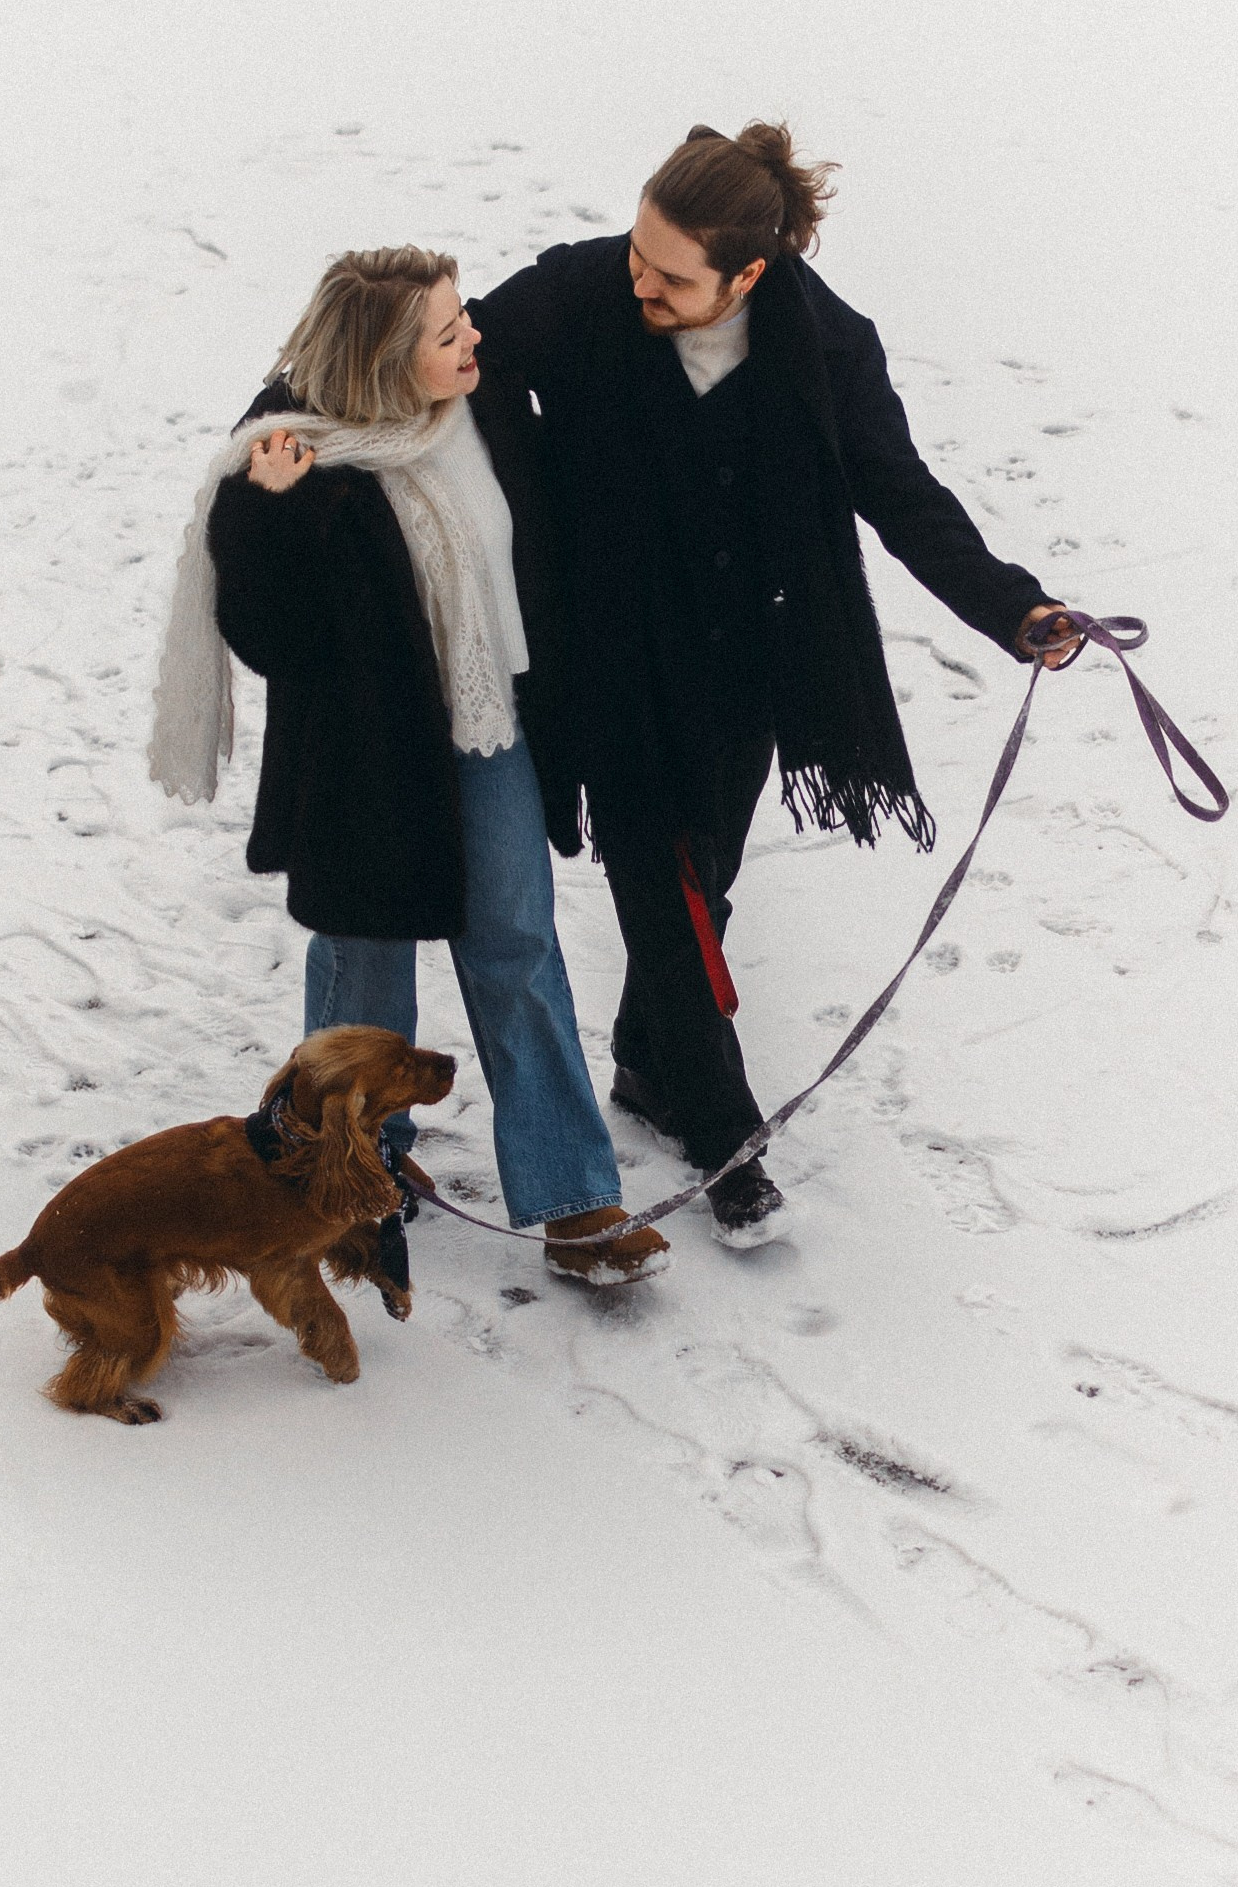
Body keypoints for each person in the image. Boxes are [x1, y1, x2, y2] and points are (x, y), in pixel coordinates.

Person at [468, 124, 1080, 1248]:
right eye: (639, 253)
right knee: (662, 883)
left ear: (749, 273)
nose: (638, 279)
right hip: (605, 645)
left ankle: (652, 1064)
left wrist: (1012, 606)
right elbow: (450, 354)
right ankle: (725, 1134)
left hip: (748, 652)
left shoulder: (827, 346)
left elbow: (895, 488)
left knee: (706, 874)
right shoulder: (577, 290)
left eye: (670, 273)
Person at [149, 246, 667, 1287]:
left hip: (490, 725)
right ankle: (342, 1175)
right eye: (445, 333)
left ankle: (574, 1199)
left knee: (516, 940)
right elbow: (270, 638)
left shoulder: (482, 408)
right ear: (387, 360)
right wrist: (273, 517)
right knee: (364, 972)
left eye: (464, 316)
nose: (472, 337)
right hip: (362, 763)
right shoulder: (303, 459)